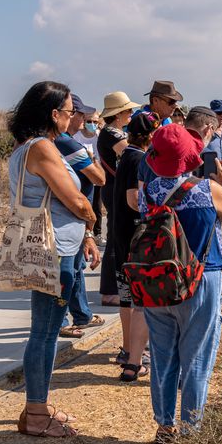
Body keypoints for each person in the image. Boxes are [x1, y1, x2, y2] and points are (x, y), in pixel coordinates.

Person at [139, 124, 222, 444]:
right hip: (201, 278)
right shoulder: (207, 190)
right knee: (196, 357)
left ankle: (165, 428)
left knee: (162, 357)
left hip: (157, 282)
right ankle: (190, 431)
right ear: (190, 157)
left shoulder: (149, 193)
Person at [7, 81, 100, 437]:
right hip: (56, 252)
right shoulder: (43, 148)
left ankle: (39, 406)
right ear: (53, 114)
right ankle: (35, 413)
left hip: (52, 247)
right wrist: (90, 217)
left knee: (44, 331)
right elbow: (75, 199)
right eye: (67, 111)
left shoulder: (24, 146)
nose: (72, 117)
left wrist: (87, 235)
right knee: (45, 333)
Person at [112, 112, 160, 381]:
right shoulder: (138, 158)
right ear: (151, 136)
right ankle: (134, 353)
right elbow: (133, 198)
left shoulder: (126, 156)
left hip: (121, 232)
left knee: (126, 295)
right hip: (133, 234)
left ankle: (128, 348)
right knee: (136, 297)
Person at [54, 94, 106, 338]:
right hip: (72, 213)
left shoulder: (58, 141)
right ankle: (64, 320)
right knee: (68, 270)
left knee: (75, 268)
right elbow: (99, 177)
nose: (85, 119)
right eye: (81, 114)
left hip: (73, 214)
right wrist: (93, 160)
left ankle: (82, 314)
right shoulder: (68, 144)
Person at [97, 91, 139, 308]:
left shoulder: (113, 132)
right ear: (118, 114)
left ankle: (113, 288)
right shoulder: (112, 134)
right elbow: (130, 155)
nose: (131, 114)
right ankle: (110, 290)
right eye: (128, 110)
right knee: (115, 238)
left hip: (114, 187)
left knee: (117, 236)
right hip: (115, 188)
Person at [72, 110, 104, 242]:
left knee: (97, 206)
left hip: (97, 172)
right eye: (89, 121)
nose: (92, 124)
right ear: (84, 121)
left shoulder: (99, 135)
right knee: (84, 204)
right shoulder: (77, 136)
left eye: (95, 122)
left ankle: (97, 234)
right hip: (82, 175)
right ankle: (83, 233)